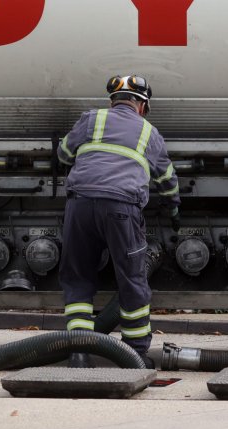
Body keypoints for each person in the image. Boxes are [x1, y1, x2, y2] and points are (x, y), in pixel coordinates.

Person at [57, 75, 180, 368]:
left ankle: (78, 354)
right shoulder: (149, 133)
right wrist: (173, 208)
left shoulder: (91, 120)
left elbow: (63, 154)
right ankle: (134, 355)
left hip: (80, 204)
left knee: (78, 279)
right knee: (132, 279)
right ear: (142, 105)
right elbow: (166, 179)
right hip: (121, 208)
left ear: (113, 100)